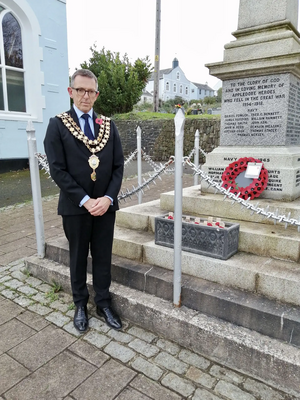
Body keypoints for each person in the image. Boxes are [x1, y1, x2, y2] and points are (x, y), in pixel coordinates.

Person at [44, 69, 124, 333]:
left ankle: (103, 303)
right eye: (80, 90)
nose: (85, 96)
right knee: (78, 257)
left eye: (90, 91)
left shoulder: (108, 126)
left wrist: (108, 198)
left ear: (96, 94)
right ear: (71, 92)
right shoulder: (58, 124)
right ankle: (80, 303)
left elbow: (117, 167)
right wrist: (86, 200)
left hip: (105, 207)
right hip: (76, 207)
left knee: (103, 256)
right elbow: (58, 170)